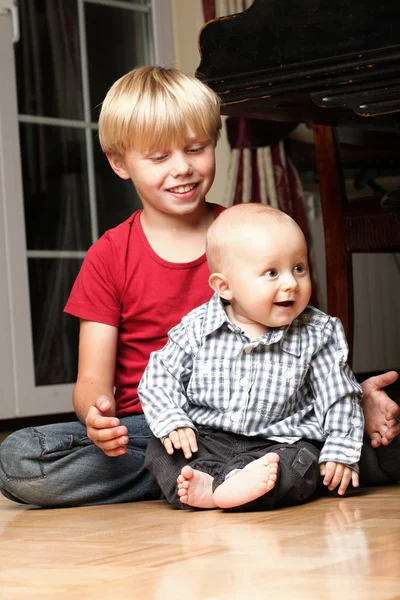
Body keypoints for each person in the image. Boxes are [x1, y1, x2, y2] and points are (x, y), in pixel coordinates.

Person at [0, 66, 399, 509]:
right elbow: (92, 379)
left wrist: (350, 398)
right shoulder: (109, 255)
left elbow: (304, 336)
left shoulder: (251, 233)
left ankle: (227, 477)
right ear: (119, 163)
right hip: (159, 430)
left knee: (387, 432)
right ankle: (238, 473)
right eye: (158, 158)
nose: (183, 168)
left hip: (276, 418)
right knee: (22, 459)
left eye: (196, 148)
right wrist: (98, 416)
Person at [139, 204, 375, 511]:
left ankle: (232, 488)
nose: (291, 283)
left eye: (299, 268)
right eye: (272, 272)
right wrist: (173, 421)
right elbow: (159, 377)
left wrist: (341, 450)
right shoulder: (196, 328)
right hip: (209, 440)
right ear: (225, 287)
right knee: (160, 450)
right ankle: (215, 486)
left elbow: (339, 396)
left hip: (280, 444)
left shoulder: (319, 332)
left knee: (304, 463)